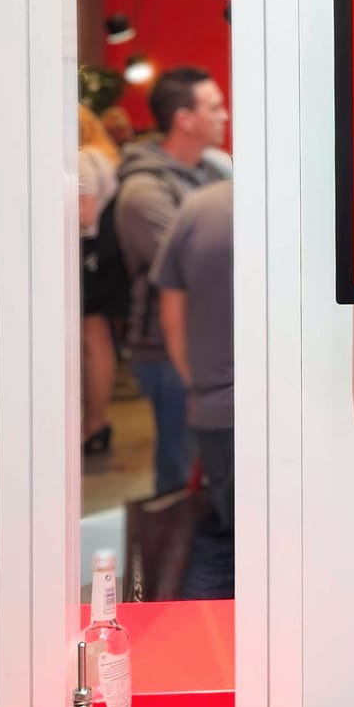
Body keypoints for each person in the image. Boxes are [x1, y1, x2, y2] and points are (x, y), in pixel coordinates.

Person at [116, 67, 229, 497]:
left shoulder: (213, 173)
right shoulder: (144, 192)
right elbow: (196, 272)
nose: (225, 116)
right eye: (214, 107)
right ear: (184, 118)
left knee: (215, 473)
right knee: (181, 478)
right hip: (168, 351)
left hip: (213, 346)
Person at [154, 180, 235, 599]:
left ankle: (201, 629)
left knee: (226, 534)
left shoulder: (197, 209)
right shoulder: (302, 204)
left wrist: (197, 385)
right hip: (292, 409)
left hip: (217, 407)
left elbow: (172, 317)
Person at [78, 105, 121, 458]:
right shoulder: (104, 156)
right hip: (101, 255)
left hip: (87, 253)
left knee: (91, 340)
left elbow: (85, 214)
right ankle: (96, 422)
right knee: (97, 338)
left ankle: (92, 424)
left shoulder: (81, 159)